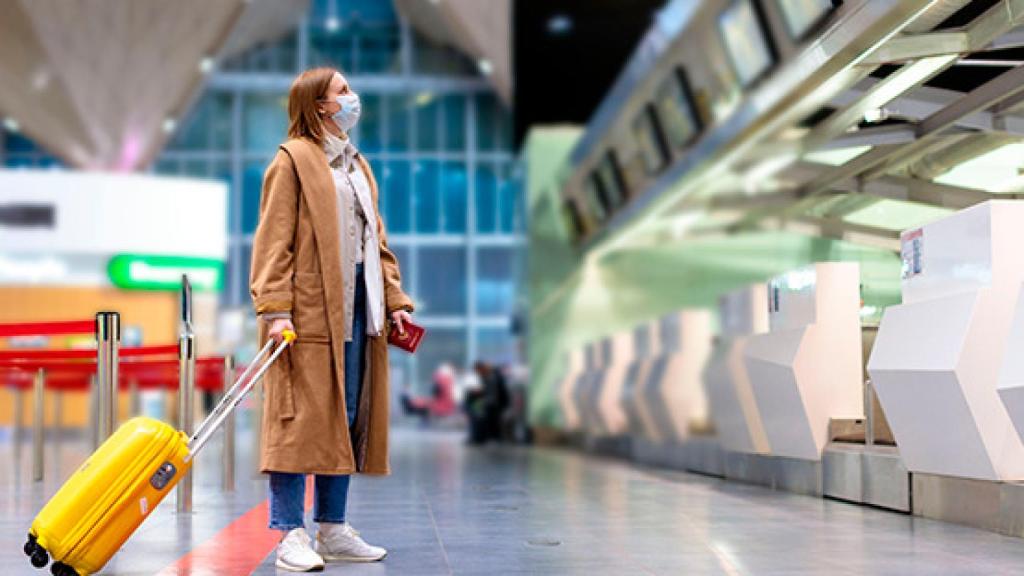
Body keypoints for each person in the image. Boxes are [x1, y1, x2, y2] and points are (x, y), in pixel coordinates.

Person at [250, 66, 415, 572]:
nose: (352, 97)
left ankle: (332, 528)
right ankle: (289, 534)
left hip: (356, 313)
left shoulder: (356, 167)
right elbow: (273, 243)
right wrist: (275, 310)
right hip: (305, 316)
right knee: (298, 423)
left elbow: (377, 245)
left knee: (341, 421)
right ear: (319, 104)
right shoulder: (292, 160)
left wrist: (394, 301)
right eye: (342, 91)